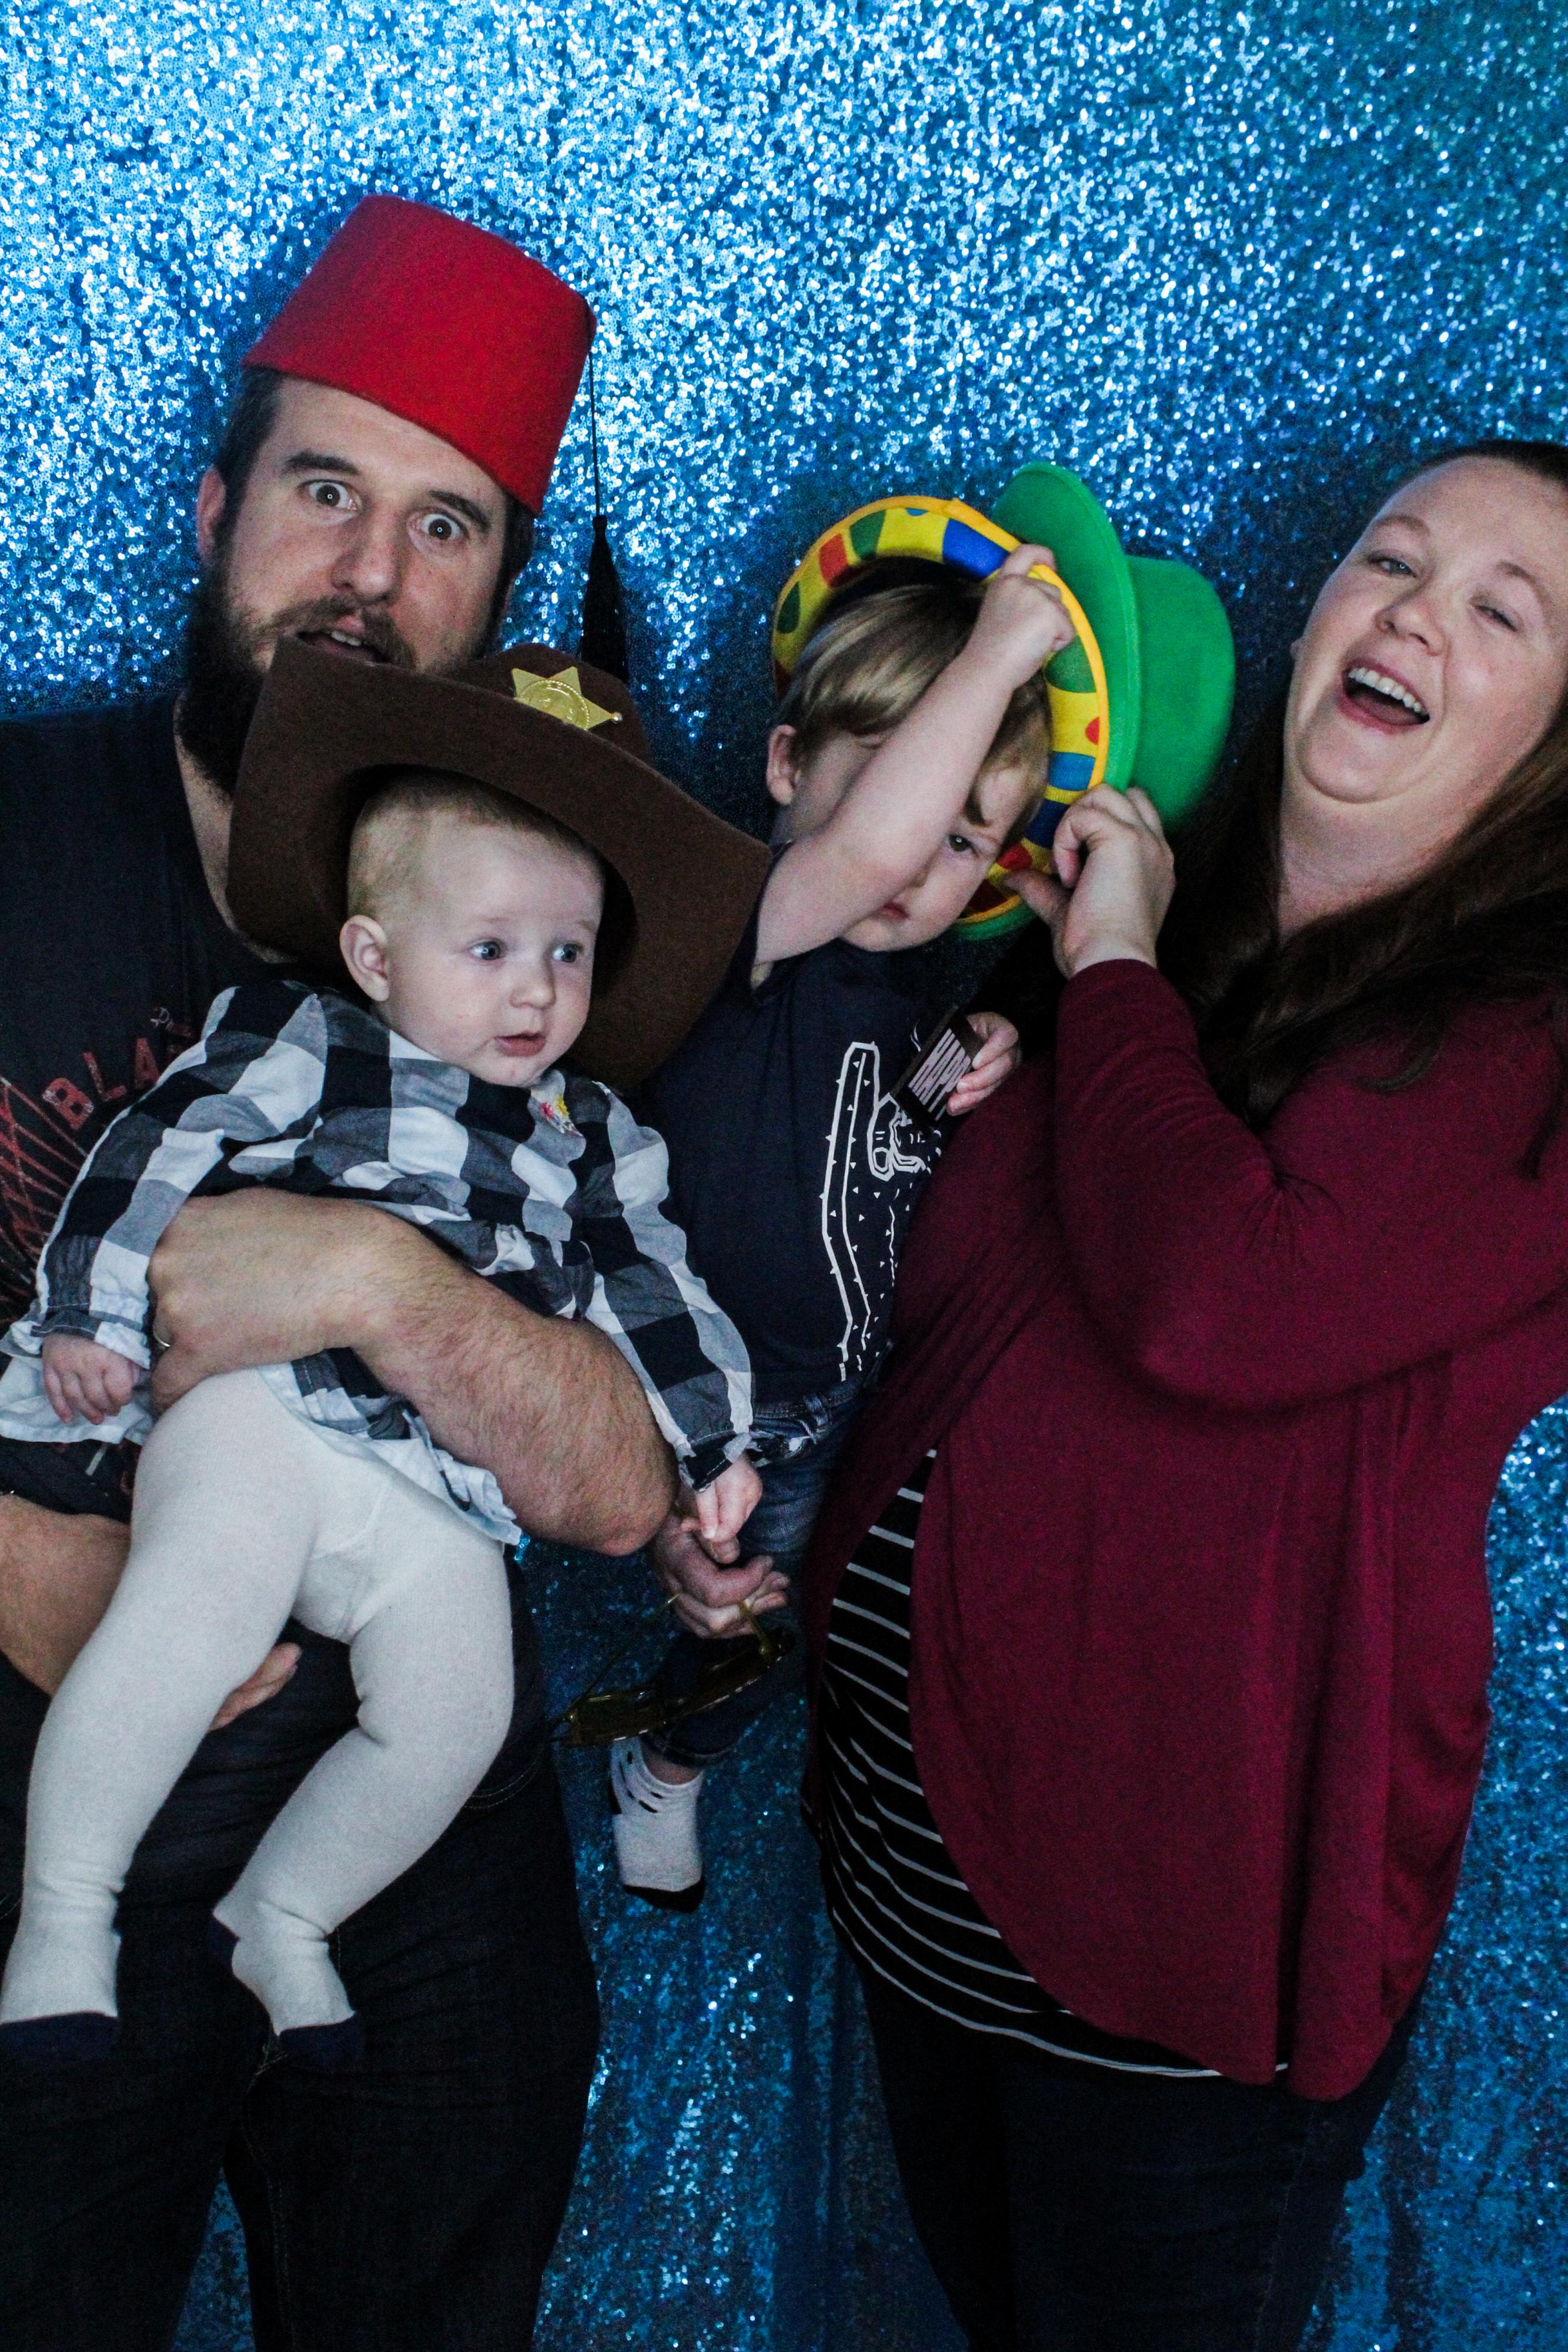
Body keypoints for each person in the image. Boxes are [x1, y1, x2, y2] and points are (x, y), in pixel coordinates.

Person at [727, 438, 1568, 2352]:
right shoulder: (1138, 908)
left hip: (1170, 1999)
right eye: (1388, 561)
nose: (1411, 615)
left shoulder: (1524, 1047)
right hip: (917, 1905)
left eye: (1499, 612)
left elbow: (1212, 1303)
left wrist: (1105, 965)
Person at [0, 195, 741, 2351]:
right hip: (41, 1753)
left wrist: (362, 1280)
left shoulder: (534, 938)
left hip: (417, 1843)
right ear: (215, 510)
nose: (372, 575)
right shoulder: (20, 825)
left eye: (446, 527)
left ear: (497, 596)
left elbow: (616, 1478)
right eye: (326, 491)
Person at [0, 641, 761, 2067]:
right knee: (193, 1604)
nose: (535, 991)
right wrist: (89, 1313)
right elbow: (152, 1154)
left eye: (568, 951)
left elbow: (656, 1292)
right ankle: (64, 1912)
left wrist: (714, 1447)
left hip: (429, 1477)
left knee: (459, 1708)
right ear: (374, 955)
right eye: (489, 948)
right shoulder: (309, 1039)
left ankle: (283, 1912)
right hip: (264, 1411)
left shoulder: (593, 1132)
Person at [605, 540, 1067, 1906]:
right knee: (719, 1592)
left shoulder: (912, 992)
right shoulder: (748, 926)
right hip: (679, 1393)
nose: (914, 856)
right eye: (890, 785)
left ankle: (668, 1759)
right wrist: (995, 653)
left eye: (963, 838)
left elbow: (888, 1141)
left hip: (827, 1411)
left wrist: (985, 1052)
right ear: (786, 765)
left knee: (768, 1632)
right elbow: (861, 856)